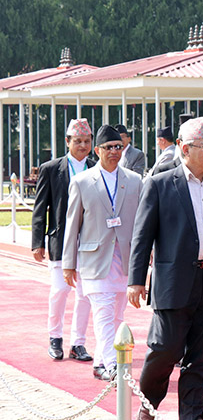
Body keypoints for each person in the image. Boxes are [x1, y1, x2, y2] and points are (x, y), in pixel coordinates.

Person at [128, 117, 203, 420]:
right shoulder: (160, 184)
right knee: (165, 349)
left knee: (200, 354)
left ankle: (192, 417)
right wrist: (136, 279)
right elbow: (142, 235)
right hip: (173, 281)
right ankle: (148, 402)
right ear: (185, 149)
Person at [62, 125, 142, 381]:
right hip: (94, 259)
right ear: (97, 151)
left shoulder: (134, 180)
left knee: (118, 314)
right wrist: (68, 263)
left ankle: (100, 362)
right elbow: (72, 224)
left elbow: (142, 221)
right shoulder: (82, 181)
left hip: (124, 258)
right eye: (108, 147)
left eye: (119, 147)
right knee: (103, 313)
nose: (114, 152)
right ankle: (113, 364)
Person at [32, 118, 94, 363]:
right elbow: (40, 207)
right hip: (60, 241)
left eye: (87, 141)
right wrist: (37, 241)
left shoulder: (96, 167)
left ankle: (78, 343)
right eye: (77, 141)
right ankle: (55, 338)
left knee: (84, 294)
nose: (82, 145)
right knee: (59, 290)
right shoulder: (51, 168)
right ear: (67, 142)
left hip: (89, 242)